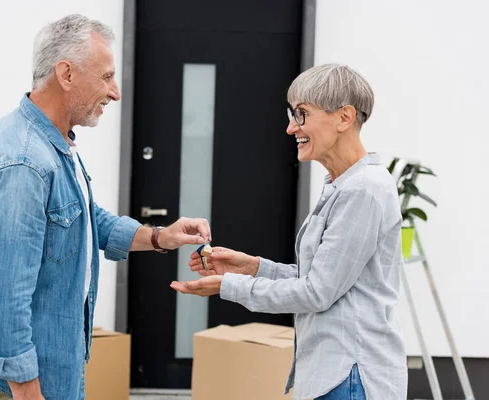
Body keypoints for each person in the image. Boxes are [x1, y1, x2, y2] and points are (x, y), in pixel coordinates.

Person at [0, 14, 211, 400]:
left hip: (54, 372)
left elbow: (85, 219)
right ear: (67, 74)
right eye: (107, 76)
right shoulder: (26, 163)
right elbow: (4, 295)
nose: (115, 92)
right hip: (28, 386)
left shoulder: (54, 146)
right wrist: (27, 392)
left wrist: (161, 236)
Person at [172, 64, 407, 399]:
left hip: (350, 376)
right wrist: (252, 267)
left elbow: (317, 292)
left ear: (344, 117)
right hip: (336, 374)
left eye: (301, 114)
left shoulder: (362, 190)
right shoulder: (342, 185)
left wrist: (229, 285)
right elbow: (322, 279)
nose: (289, 127)